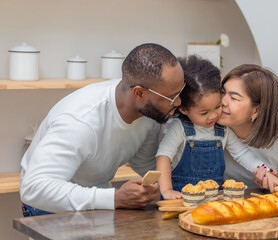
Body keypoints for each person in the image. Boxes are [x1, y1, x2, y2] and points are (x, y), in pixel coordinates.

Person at [19, 43, 185, 216]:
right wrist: (115, 198)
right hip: (47, 206)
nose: (179, 102)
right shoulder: (80, 121)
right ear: (139, 93)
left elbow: (142, 162)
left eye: (180, 91)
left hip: (96, 201)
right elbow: (34, 188)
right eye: (171, 97)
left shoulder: (149, 112)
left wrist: (179, 187)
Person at [156, 56, 268, 200]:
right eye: (204, 113)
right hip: (180, 200)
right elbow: (163, 157)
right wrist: (166, 190)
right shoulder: (179, 128)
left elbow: (242, 154)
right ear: (184, 109)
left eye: (217, 106)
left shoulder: (222, 129)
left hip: (212, 200)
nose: (213, 116)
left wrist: (265, 171)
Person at [218, 64, 278, 192]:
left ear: (256, 110)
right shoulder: (214, 128)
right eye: (222, 93)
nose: (223, 102)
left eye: (233, 98)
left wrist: (277, 177)